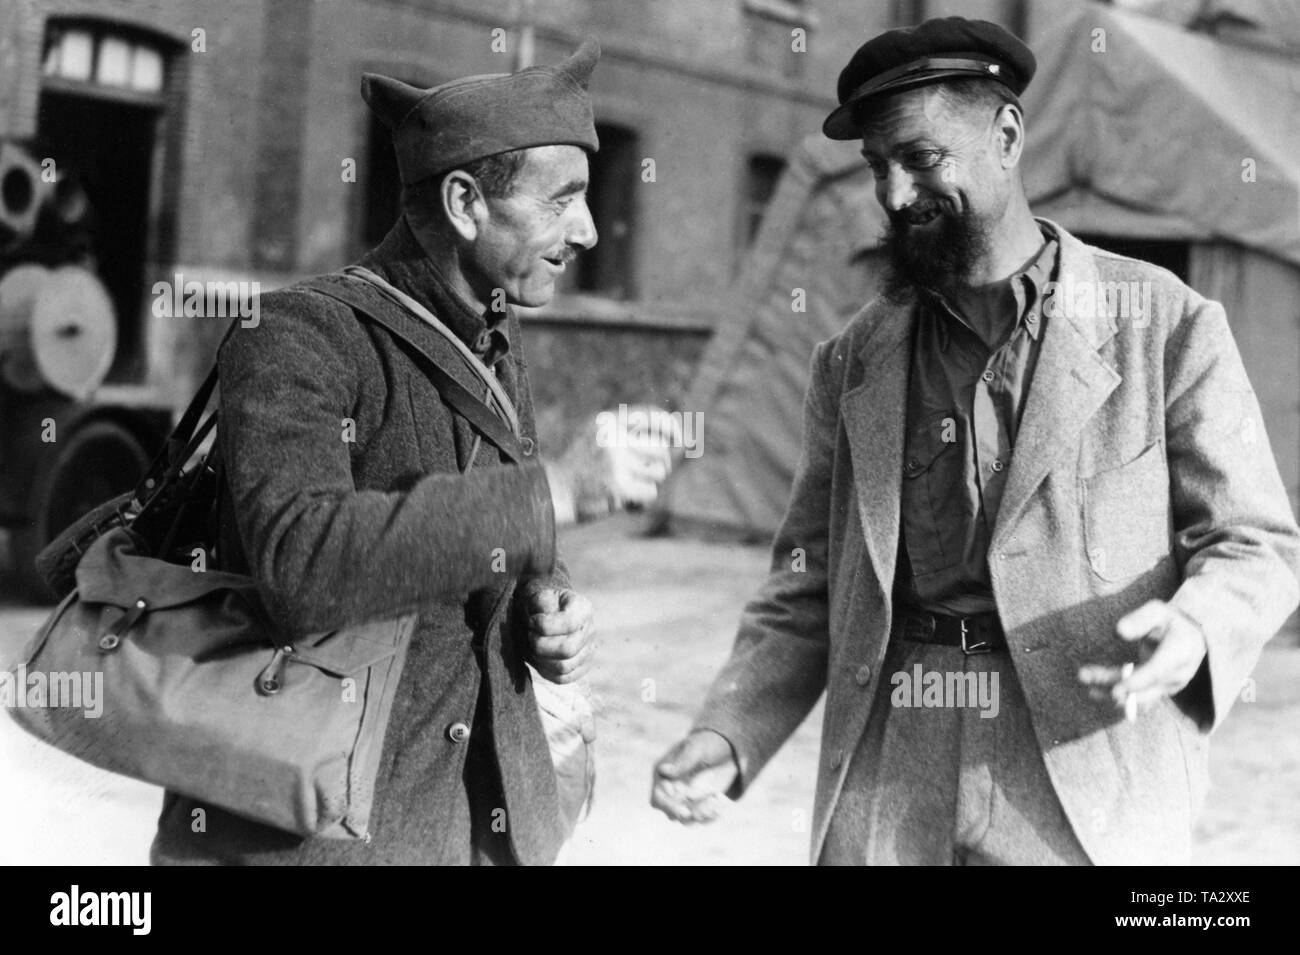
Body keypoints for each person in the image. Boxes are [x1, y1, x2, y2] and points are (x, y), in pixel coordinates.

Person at [651, 16, 1300, 865]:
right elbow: (808, 582)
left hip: (1084, 760)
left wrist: (1198, 627)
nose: (892, 195)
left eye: (920, 159)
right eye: (876, 167)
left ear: (1006, 135)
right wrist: (730, 729)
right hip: (892, 761)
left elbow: (1254, 541)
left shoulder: (1167, 325)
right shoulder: (853, 359)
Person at [151, 39, 605, 865]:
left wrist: (551, 605)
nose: (590, 230)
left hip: (477, 825)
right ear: (466, 203)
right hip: (312, 838)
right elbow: (302, 565)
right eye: (563, 199)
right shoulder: (298, 334)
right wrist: (549, 495)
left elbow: (493, 547)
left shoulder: (495, 345)